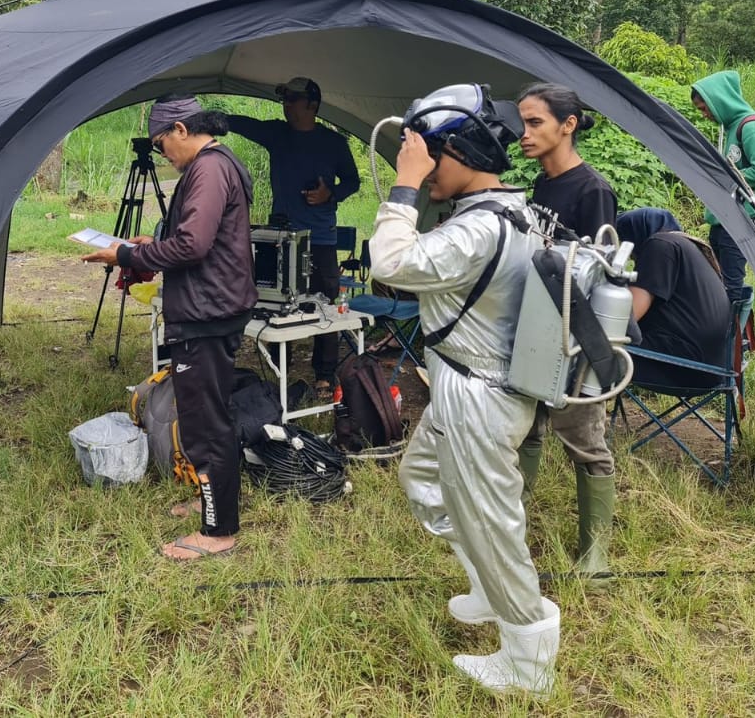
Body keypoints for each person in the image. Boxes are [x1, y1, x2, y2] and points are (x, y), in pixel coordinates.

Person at [370, 83, 559, 694]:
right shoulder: (511, 209)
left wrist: (402, 185)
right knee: (421, 478)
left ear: (463, 150)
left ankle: (527, 657)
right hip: (470, 384)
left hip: (480, 394)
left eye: (430, 159)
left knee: (490, 521)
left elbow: (391, 263)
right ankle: (485, 584)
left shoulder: (477, 230)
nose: (423, 172)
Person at [82, 95, 256, 561]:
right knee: (206, 412)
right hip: (212, 306)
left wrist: (125, 255)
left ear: (180, 130)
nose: (163, 156)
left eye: (161, 146)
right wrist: (152, 242)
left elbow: (194, 245)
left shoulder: (209, 169)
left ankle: (218, 532)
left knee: (204, 421)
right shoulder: (215, 166)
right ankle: (210, 500)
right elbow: (196, 237)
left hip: (206, 313)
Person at [515, 83, 617, 575]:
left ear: (568, 124)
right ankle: (515, 523)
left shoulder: (593, 190)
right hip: (536, 321)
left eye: (535, 123)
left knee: (583, 436)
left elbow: (597, 272)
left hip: (576, 333)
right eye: (523, 123)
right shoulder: (540, 186)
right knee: (529, 425)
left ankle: (593, 556)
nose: (524, 134)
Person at [227, 77, 359, 394]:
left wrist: (330, 194)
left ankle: (325, 373)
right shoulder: (277, 134)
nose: (286, 106)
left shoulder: (333, 143)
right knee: (274, 299)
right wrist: (214, 120)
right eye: (284, 100)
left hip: (321, 236)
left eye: (293, 100)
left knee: (326, 304)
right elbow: (241, 123)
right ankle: (278, 364)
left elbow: (352, 182)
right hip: (280, 234)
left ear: (312, 105)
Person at [615, 208, 732, 389]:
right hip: (714, 367)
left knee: (593, 352)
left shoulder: (660, 245)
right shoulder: (686, 246)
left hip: (684, 367)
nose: (630, 256)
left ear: (634, 234)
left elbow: (627, 317)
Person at [691, 70, 755, 305]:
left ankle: (733, 339)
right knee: (717, 285)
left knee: (730, 291)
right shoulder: (730, 127)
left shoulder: (751, 128)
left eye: (704, 108)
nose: (705, 114)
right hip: (723, 219)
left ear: (719, 101)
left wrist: (726, 178)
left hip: (740, 221)